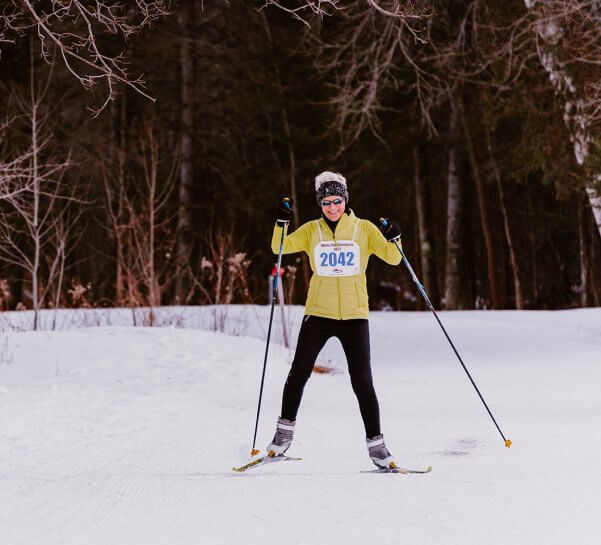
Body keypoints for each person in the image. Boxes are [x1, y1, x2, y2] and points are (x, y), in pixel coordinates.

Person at [266, 171, 403, 469]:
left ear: (345, 200)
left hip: (355, 316)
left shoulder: (364, 229)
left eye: (337, 201)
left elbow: (393, 258)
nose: (332, 207)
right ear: (320, 203)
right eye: (326, 202)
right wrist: (281, 223)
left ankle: (378, 448)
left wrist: (395, 235)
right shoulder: (311, 230)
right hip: (319, 313)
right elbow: (279, 248)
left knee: (363, 381)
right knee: (298, 372)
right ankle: (281, 438)